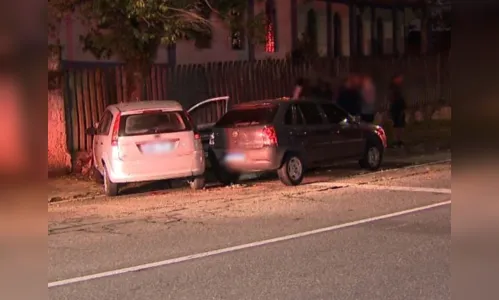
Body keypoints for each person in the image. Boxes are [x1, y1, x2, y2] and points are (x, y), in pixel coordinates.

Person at [389, 73, 407, 147]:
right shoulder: (393, 87)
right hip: (396, 108)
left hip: (400, 107)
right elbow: (393, 98)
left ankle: (399, 140)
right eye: (399, 78)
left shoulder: (399, 87)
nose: (401, 80)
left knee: (401, 125)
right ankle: (396, 140)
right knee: (397, 124)